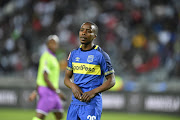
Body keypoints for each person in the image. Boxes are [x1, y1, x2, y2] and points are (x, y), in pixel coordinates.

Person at [64, 22, 116, 120]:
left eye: (88, 31)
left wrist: (93, 92)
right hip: (75, 104)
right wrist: (73, 86)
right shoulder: (73, 54)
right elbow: (66, 78)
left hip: (91, 104)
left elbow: (111, 80)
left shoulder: (101, 55)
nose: (84, 33)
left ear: (94, 36)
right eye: (82, 30)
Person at [29, 35, 66, 120]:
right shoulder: (46, 57)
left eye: (55, 43)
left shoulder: (53, 57)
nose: (53, 45)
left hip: (52, 91)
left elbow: (40, 76)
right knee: (40, 116)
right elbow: (45, 77)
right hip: (47, 91)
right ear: (47, 45)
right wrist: (58, 91)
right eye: (51, 43)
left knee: (59, 115)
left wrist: (35, 91)